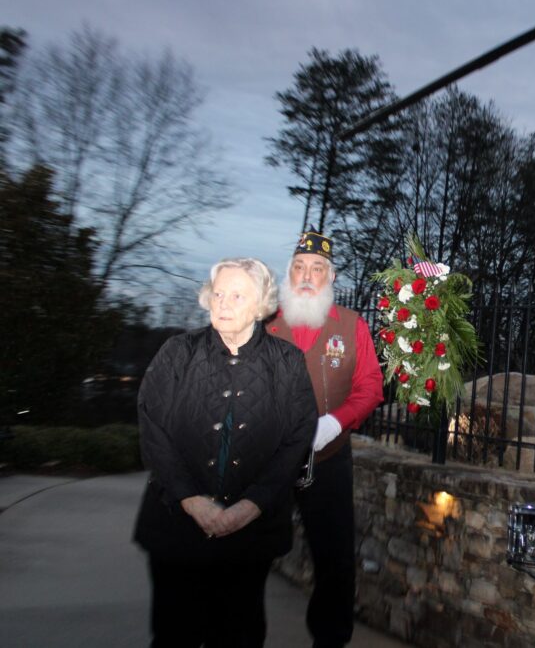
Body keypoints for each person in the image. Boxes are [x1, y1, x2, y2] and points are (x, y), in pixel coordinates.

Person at [134, 257, 318, 647]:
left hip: (249, 538)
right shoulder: (177, 353)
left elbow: (296, 440)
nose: (224, 303)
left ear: (261, 304)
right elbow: (153, 429)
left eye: (237, 295)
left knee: (238, 633)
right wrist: (190, 500)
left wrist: (251, 505)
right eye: (218, 293)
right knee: (174, 633)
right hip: (176, 530)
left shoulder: (287, 363)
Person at [267, 229, 384, 647]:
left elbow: (371, 386)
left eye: (317, 269)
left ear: (330, 277)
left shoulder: (352, 326)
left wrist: (337, 422)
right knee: (247, 553)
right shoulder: (265, 323)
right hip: (268, 461)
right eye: (299, 267)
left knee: (334, 560)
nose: (306, 276)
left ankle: (330, 640)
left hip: (329, 459)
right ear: (289, 274)